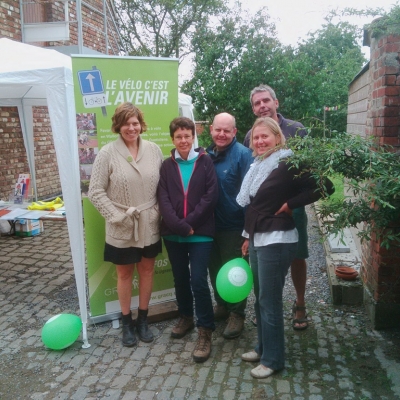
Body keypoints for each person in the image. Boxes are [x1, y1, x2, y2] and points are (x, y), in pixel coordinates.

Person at [238, 117, 334, 378]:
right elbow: (257, 206)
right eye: (255, 138)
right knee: (260, 299)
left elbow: (325, 186)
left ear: (277, 138)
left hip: (278, 240)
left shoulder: (289, 162)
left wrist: (291, 204)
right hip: (259, 238)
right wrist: (248, 237)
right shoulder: (258, 165)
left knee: (269, 301)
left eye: (264, 137)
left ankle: (273, 359)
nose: (259, 141)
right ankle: (262, 347)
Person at [88, 102, 163, 347]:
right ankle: (126, 321)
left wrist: (159, 212)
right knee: (124, 273)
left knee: (147, 270)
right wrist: (116, 216)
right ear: (118, 126)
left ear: (141, 124)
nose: (131, 128)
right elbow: (95, 192)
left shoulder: (154, 150)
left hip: (149, 222)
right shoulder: (107, 153)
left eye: (135, 123)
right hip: (122, 224)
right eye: (126, 123)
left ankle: (143, 318)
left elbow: (164, 187)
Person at [244, 84, 310, 330]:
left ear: (276, 102)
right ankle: (267, 308)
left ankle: (300, 303)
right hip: (263, 213)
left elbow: (310, 173)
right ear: (253, 109)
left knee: (298, 255)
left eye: (265, 101)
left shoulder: (297, 130)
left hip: (292, 208)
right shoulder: (251, 135)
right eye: (257, 103)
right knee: (263, 261)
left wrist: (292, 203)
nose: (262, 106)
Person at [157, 117, 219, 362]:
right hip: (174, 233)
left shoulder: (205, 162)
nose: (183, 140)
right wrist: (180, 226)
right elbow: (162, 198)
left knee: (198, 281)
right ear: (172, 139)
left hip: (200, 233)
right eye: (178, 136)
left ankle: (205, 330)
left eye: (187, 135)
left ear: (193, 136)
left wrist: (189, 224)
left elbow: (211, 196)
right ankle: (185, 317)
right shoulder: (166, 165)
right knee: (180, 278)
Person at [206, 112, 253, 339]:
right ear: (211, 130)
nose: (222, 134)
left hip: (234, 227)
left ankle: (237, 313)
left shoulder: (244, 156)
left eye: (227, 130)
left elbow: (251, 195)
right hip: (209, 226)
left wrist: (248, 232)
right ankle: (222, 305)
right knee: (214, 268)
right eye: (218, 130)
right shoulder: (205, 155)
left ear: (235, 132)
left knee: (235, 272)